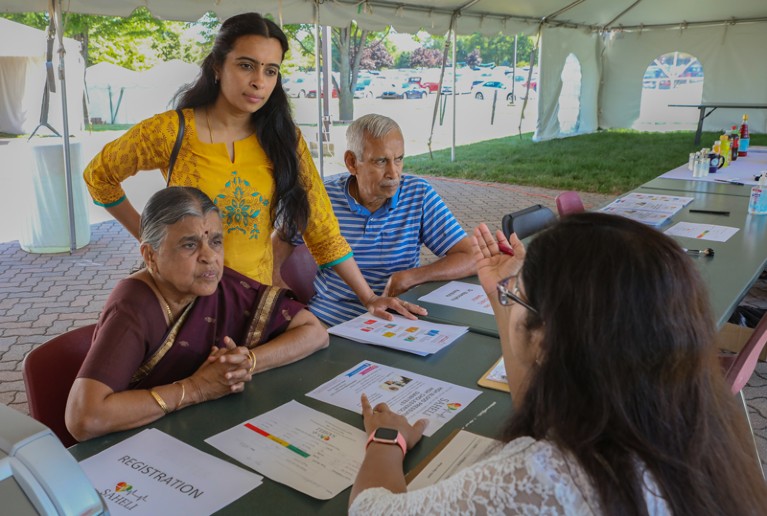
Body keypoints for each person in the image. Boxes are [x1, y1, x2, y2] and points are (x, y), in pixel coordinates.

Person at [348, 212, 767, 514]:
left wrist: (386, 440)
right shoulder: (691, 424)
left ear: (547, 338)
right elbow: (535, 399)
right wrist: (502, 296)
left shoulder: (543, 478)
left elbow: (372, 510)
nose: (511, 299)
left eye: (518, 295)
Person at [82, 12, 422, 322]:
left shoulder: (282, 139)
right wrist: (152, 240)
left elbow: (321, 227)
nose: (259, 81)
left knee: (305, 340)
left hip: (252, 301)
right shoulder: (171, 132)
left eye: (270, 70)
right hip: (184, 300)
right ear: (217, 65)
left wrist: (369, 298)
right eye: (247, 65)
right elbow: (100, 177)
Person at [65, 187, 328, 441]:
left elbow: (314, 332)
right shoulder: (133, 307)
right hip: (140, 448)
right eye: (189, 245)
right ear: (150, 255)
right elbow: (84, 418)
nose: (209, 256)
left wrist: (244, 363)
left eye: (215, 241)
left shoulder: (219, 286)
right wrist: (197, 388)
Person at [273, 114, 474, 325]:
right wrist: (282, 300)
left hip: (396, 317)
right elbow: (272, 253)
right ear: (352, 162)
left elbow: (470, 256)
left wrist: (412, 276)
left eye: (399, 159)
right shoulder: (320, 199)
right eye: (381, 161)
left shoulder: (418, 194)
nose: (393, 173)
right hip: (330, 320)